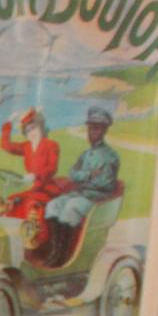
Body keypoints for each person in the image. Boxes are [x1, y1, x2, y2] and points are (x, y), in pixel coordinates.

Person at [44, 107, 121, 260]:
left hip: (97, 199)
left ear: (104, 130)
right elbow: (72, 174)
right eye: (90, 128)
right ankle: (55, 251)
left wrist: (83, 178)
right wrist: (88, 175)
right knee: (53, 205)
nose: (91, 132)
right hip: (80, 194)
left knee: (71, 207)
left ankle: (64, 255)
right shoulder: (85, 155)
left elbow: (104, 183)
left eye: (96, 129)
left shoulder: (110, 156)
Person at [0, 108, 60, 247]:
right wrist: (8, 123)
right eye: (27, 130)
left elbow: (52, 168)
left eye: (34, 128)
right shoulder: (26, 147)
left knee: (32, 205)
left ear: (41, 127)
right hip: (34, 189)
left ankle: (37, 240)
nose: (32, 132)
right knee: (11, 200)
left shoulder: (51, 145)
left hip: (48, 189)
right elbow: (5, 145)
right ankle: (13, 238)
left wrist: (35, 176)